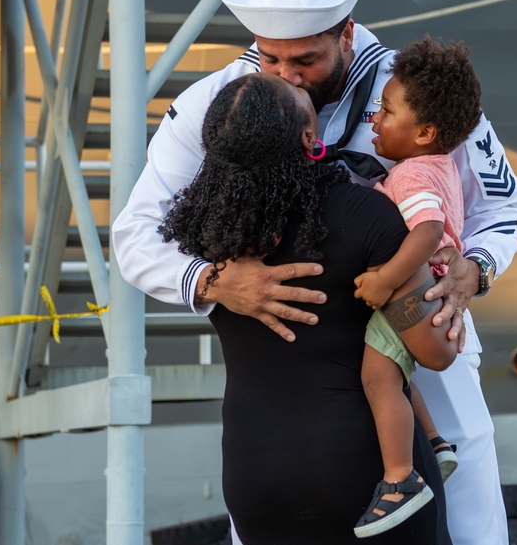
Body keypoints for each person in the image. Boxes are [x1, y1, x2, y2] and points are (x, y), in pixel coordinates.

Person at [112, 0, 517, 545]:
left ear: (347, 34)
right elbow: (134, 234)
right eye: (270, 58)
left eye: (305, 59)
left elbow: (501, 203)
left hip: (417, 328)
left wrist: (477, 270)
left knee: (464, 506)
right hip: (287, 352)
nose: (286, 76)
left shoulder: (421, 93)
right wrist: (215, 281)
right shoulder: (219, 101)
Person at [158, 72, 454, 543]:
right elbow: (435, 351)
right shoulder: (366, 214)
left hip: (254, 476)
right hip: (367, 472)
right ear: (309, 138)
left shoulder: (208, 235)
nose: (289, 76)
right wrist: (456, 286)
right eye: (294, 94)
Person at [352, 37, 482, 538]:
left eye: (385, 111)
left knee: (377, 376)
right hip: (436, 302)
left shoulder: (410, 175)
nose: (374, 122)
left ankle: (400, 478)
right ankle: (436, 442)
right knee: (398, 370)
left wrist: (386, 279)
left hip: (416, 298)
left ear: (424, 131)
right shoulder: (441, 165)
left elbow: (427, 232)